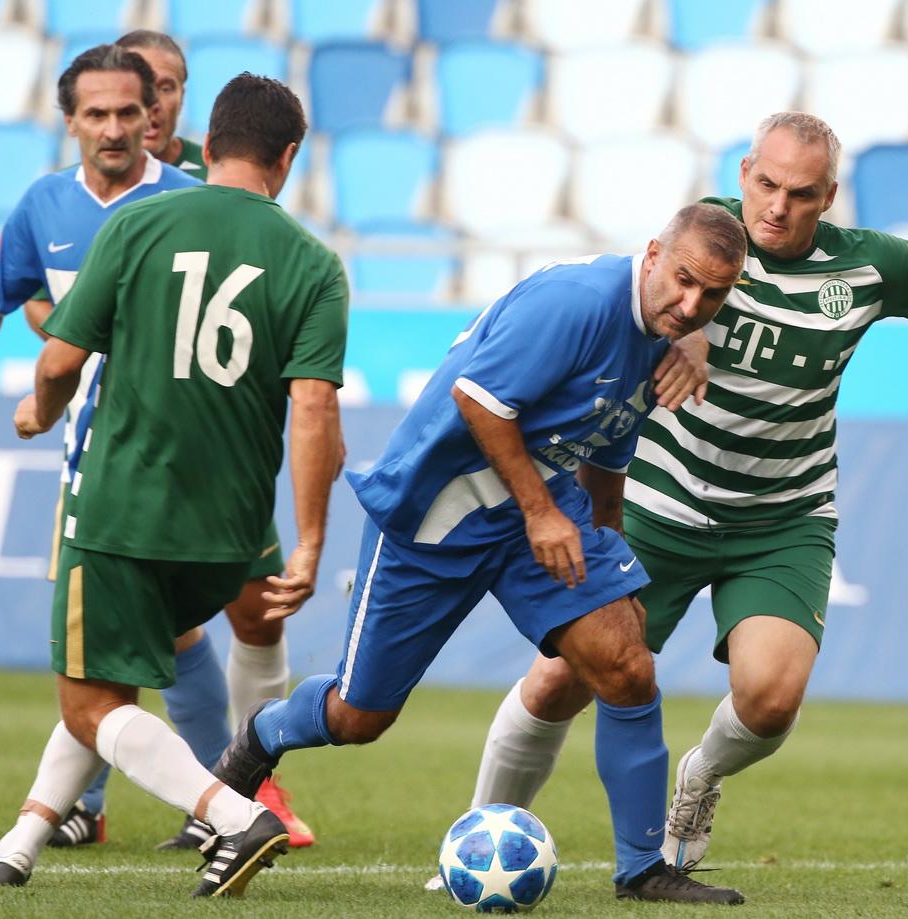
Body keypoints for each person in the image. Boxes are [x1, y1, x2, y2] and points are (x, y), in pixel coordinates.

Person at [437, 110, 908, 885]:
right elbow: (640, 291)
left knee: (771, 700)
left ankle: (700, 777)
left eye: (802, 193)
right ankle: (476, 843)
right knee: (559, 681)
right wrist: (682, 330)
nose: (779, 206)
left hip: (783, 519)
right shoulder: (706, 239)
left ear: (829, 197)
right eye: (768, 184)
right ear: (745, 174)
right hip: (661, 504)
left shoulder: (864, 267)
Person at [208, 203, 749, 905]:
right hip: (434, 515)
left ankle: (643, 868)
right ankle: (261, 735)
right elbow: (480, 401)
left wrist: (606, 547)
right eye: (684, 280)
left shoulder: (663, 341)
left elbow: (607, 449)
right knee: (359, 716)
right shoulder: (574, 301)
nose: (692, 304)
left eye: (712, 294)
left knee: (626, 666)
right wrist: (541, 513)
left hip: (536, 513)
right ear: (652, 255)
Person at [0, 73, 347, 897]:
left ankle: (237, 814)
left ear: (209, 144)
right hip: (232, 529)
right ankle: (16, 847)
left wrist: (38, 411)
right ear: (288, 157)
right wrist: (312, 541)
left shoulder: (138, 223)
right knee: (105, 685)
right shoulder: (316, 264)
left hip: (123, 508)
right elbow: (316, 411)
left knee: (89, 702)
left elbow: (60, 360)